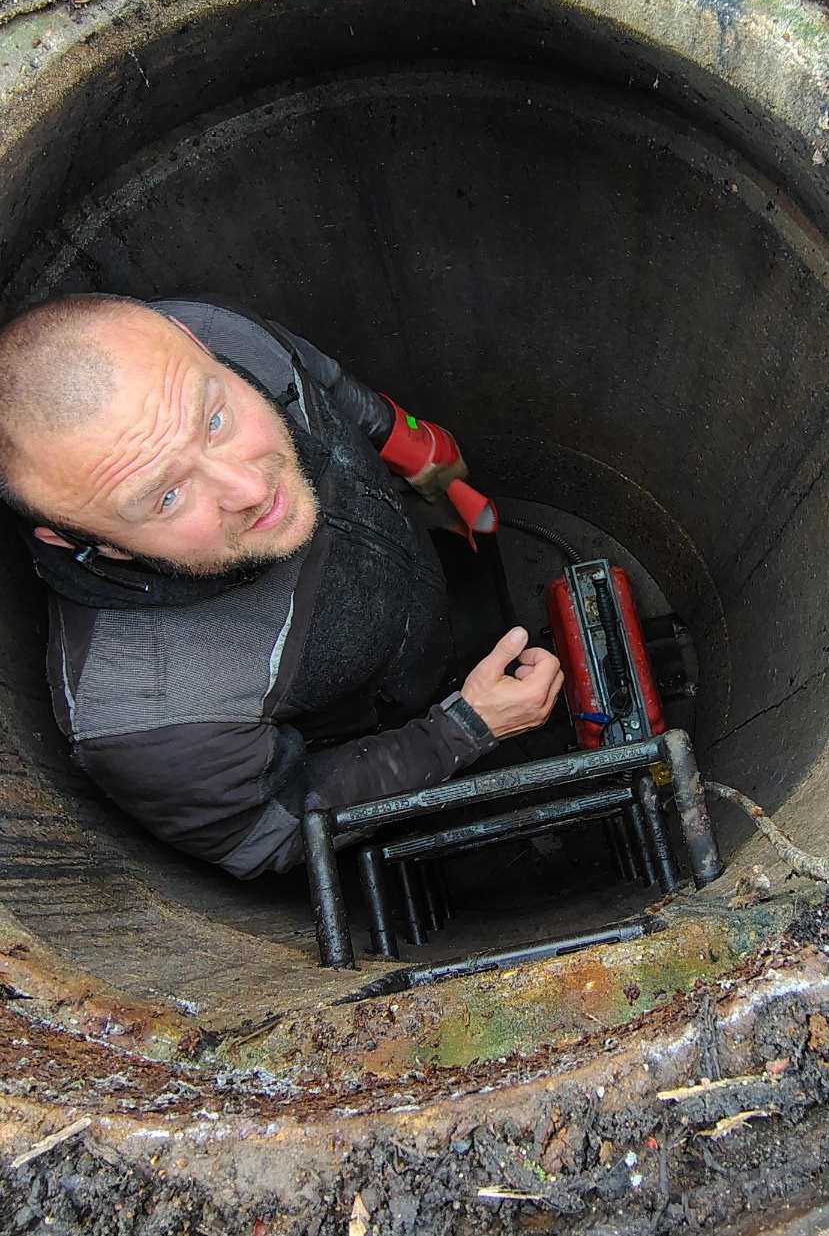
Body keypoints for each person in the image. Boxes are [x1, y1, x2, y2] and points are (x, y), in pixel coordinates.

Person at [0, 295, 563, 878]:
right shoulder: (153, 719)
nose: (251, 489)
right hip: (394, 711)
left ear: (193, 341)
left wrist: (409, 443)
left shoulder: (214, 338)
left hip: (418, 588)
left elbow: (314, 375)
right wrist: (462, 730)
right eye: (166, 496)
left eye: (213, 422)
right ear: (83, 540)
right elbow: (271, 830)